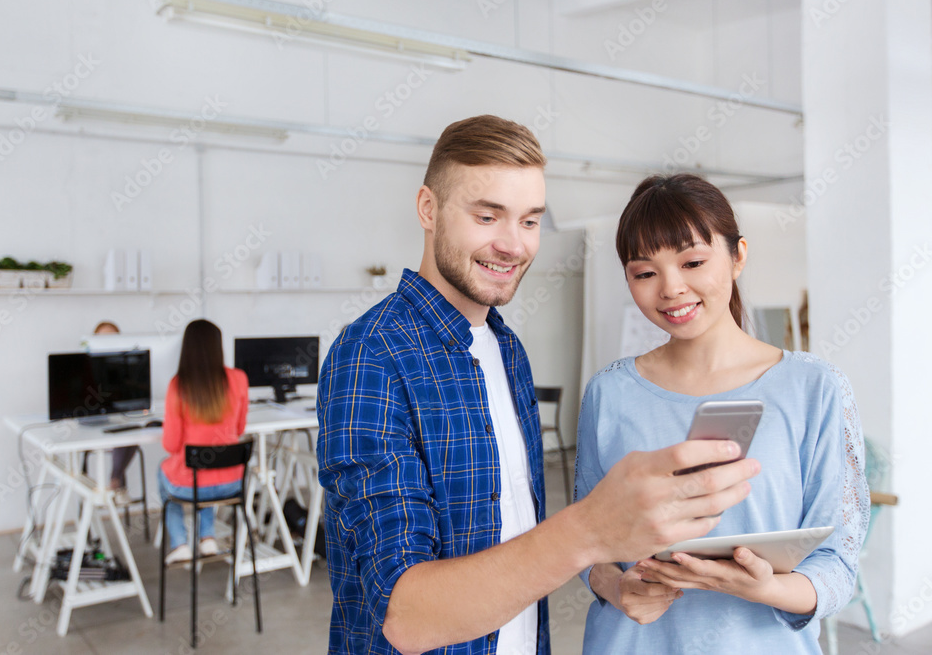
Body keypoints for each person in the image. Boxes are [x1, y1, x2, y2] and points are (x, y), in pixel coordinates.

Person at [317, 116, 760, 655]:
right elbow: (405, 617)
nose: (512, 244)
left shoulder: (506, 350)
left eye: (530, 221)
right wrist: (591, 529)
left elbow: (514, 553)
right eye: (487, 216)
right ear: (428, 209)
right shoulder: (372, 355)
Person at [574, 173, 869, 654]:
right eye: (644, 272)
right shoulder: (609, 393)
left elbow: (837, 565)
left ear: (738, 255)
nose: (671, 288)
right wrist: (616, 587)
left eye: (692, 262)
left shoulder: (815, 388)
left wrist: (764, 588)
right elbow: (586, 544)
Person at [158, 319, 249, 565]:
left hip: (192, 486)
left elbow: (171, 444)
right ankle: (207, 538)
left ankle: (180, 543)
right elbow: (240, 428)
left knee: (165, 472)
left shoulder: (179, 385)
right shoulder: (239, 379)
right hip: (233, 484)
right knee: (208, 465)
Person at [90, 321, 138, 501]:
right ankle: (117, 481)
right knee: (122, 435)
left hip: (118, 419)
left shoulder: (126, 366)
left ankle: (115, 479)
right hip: (94, 422)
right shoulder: (88, 367)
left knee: (132, 432)